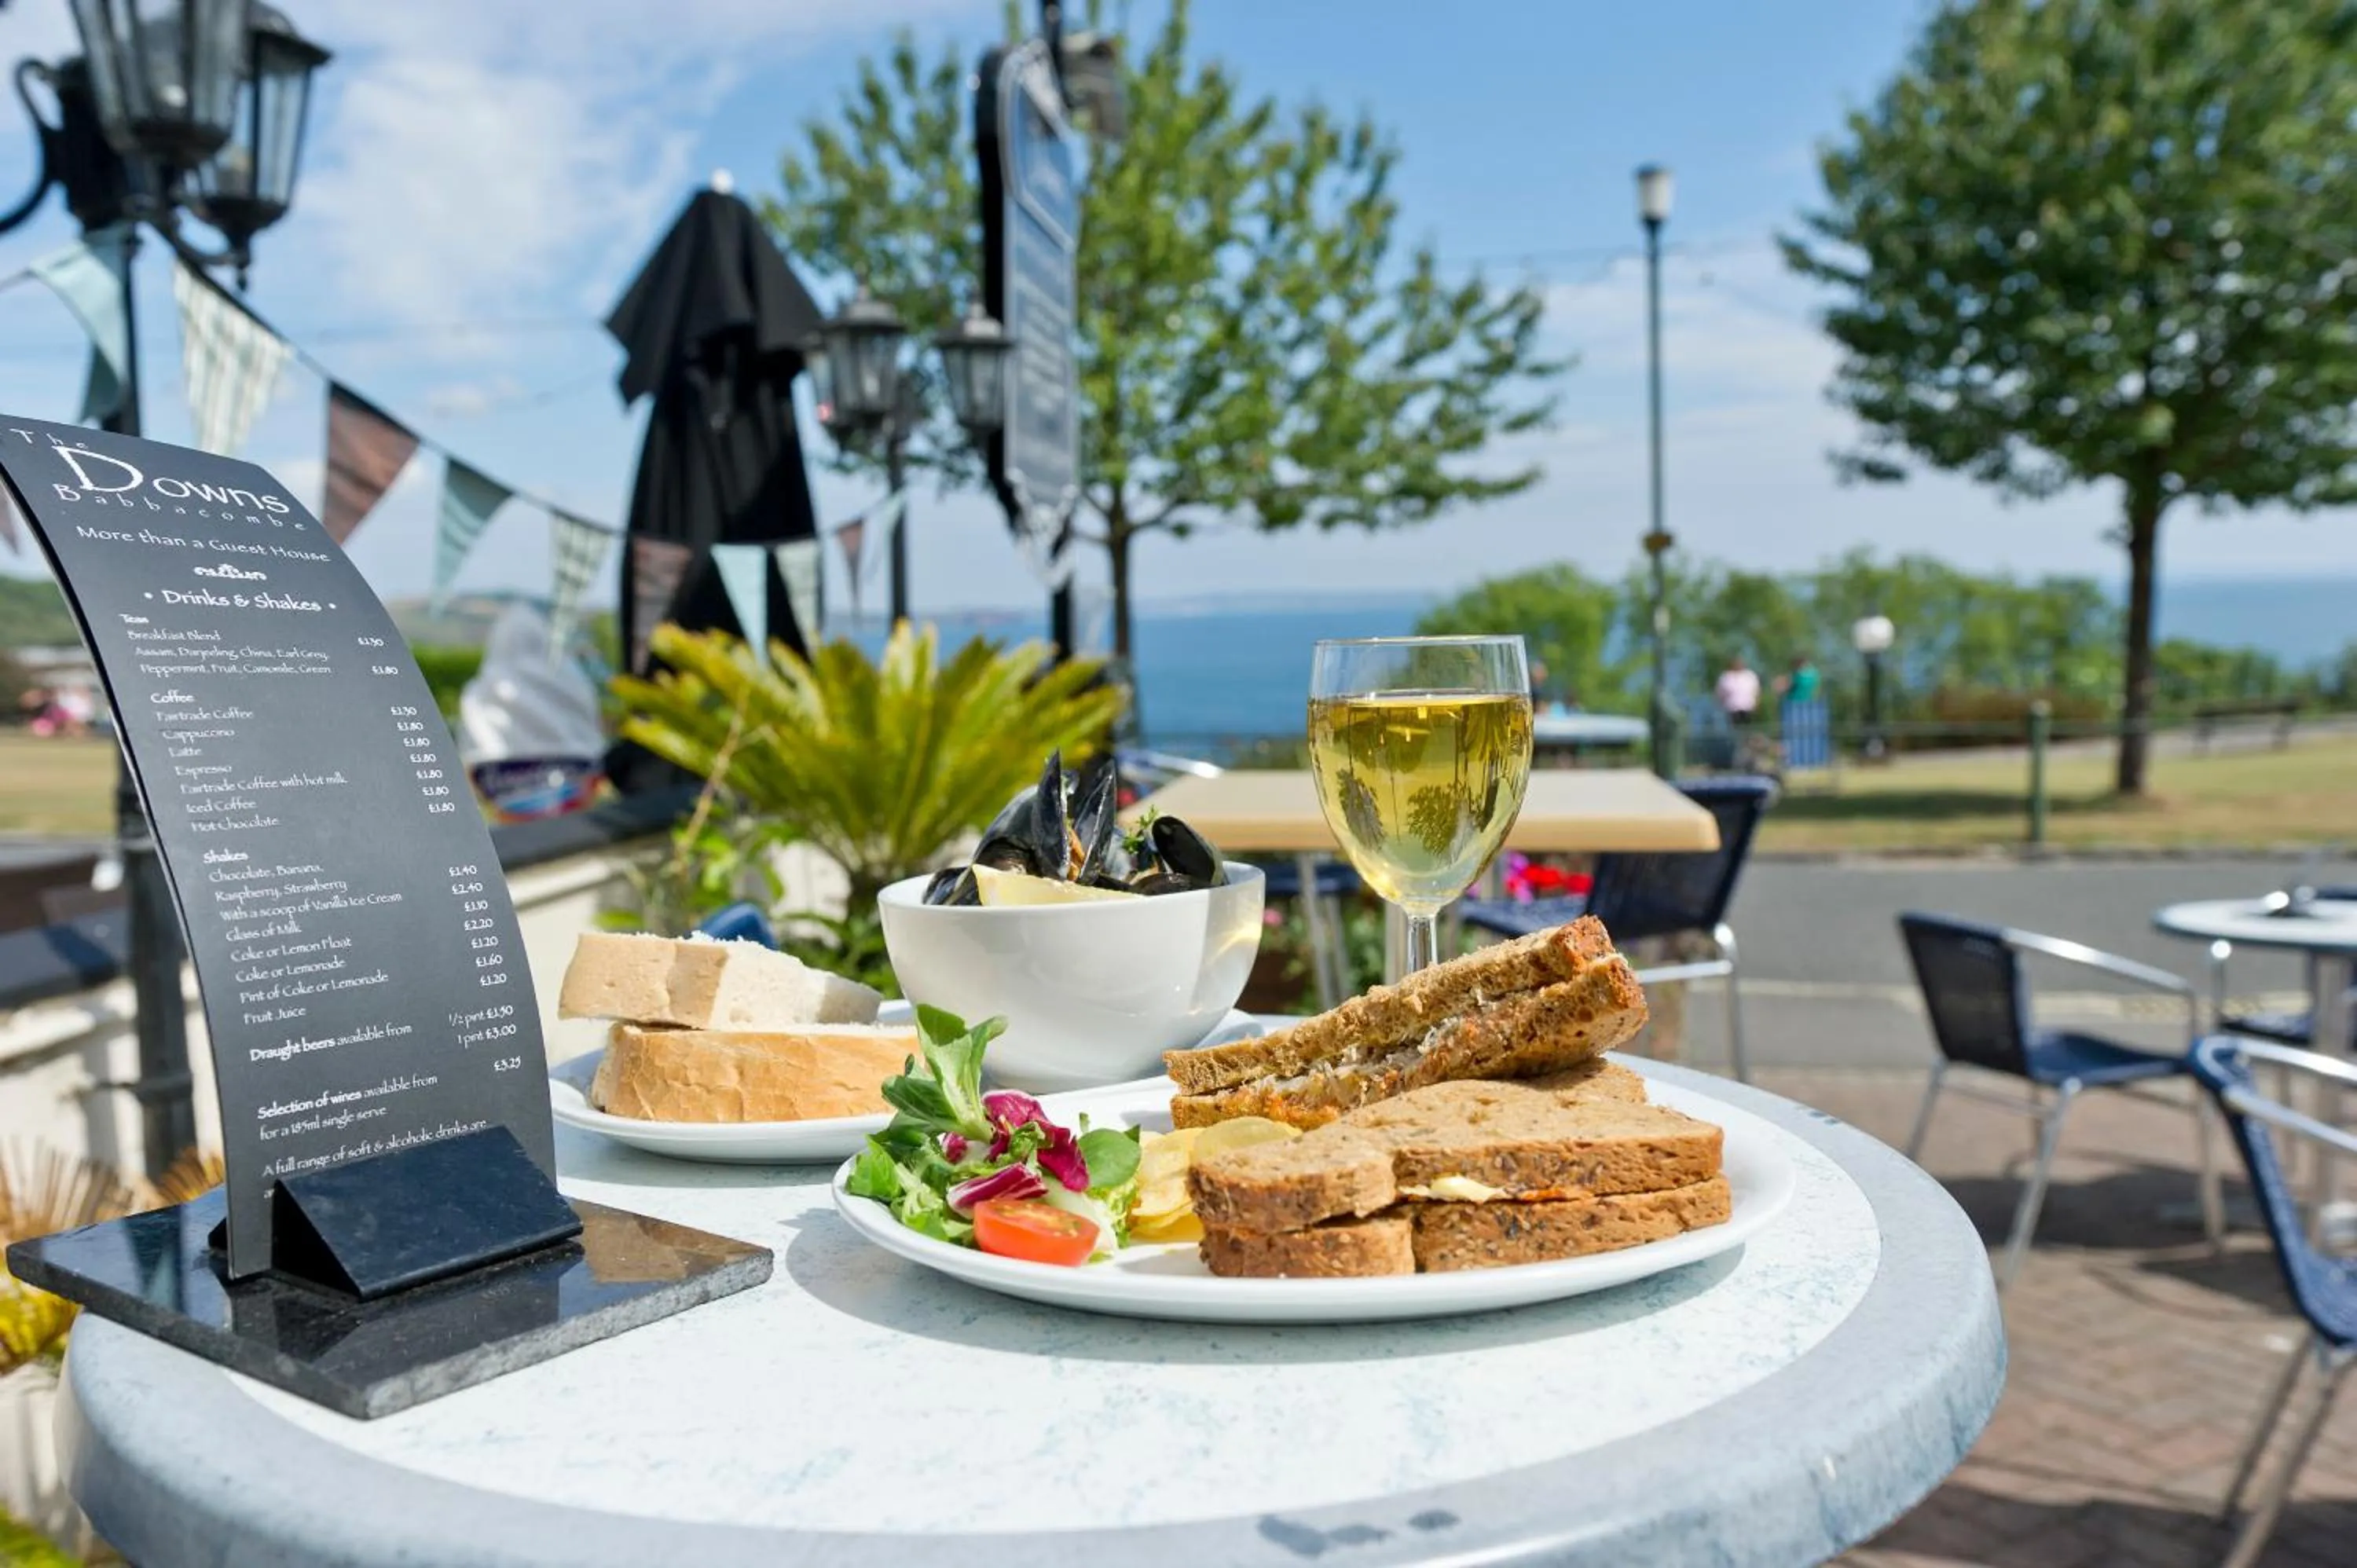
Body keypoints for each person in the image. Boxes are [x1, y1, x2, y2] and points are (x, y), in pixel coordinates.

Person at [1715, 654, 1760, 726]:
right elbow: (1720, 693)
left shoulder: (1750, 676)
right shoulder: (1726, 677)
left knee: (1748, 728)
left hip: (1748, 708)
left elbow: (1756, 691)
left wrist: (1756, 704)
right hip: (1731, 708)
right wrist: (1721, 705)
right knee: (1734, 728)